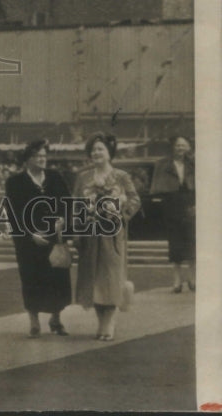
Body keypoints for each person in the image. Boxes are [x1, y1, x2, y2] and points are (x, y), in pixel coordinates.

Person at [72, 132, 140, 341]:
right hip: (90, 234)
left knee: (111, 277)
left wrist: (119, 212)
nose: (96, 153)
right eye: (93, 150)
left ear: (110, 153)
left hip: (112, 234)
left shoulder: (121, 176)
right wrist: (77, 227)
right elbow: (75, 204)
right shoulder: (83, 177)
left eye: (100, 149)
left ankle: (109, 322)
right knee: (93, 278)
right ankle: (101, 322)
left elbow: (135, 200)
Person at [4, 139, 72, 338]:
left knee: (58, 278)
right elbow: (13, 213)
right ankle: (34, 321)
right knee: (31, 279)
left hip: (54, 238)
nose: (42, 159)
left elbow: (67, 203)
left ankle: (56, 319)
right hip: (29, 242)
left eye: (44, 156)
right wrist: (29, 234)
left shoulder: (55, 177)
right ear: (27, 159)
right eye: (37, 156)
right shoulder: (15, 182)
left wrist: (62, 220)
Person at [150, 135, 196, 292]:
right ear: (172, 147)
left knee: (192, 241)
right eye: (178, 145)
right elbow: (158, 187)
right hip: (172, 205)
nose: (180, 148)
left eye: (183, 145)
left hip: (190, 205)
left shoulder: (193, 163)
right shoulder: (163, 164)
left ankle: (192, 278)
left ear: (188, 147)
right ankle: (176, 280)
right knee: (175, 243)